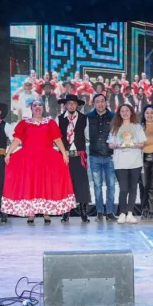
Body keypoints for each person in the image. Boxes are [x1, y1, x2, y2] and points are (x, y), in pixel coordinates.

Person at [2, 100, 74, 224]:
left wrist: (63, 153)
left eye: (39, 105)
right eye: (34, 105)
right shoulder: (24, 123)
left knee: (45, 183)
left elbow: (57, 139)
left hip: (47, 158)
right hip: (29, 159)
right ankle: (31, 213)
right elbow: (17, 139)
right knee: (31, 183)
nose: (37, 107)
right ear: (31, 108)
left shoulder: (50, 122)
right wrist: (8, 153)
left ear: (43, 108)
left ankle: (46, 213)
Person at [107, 104, 147, 224]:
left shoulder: (137, 127)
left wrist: (134, 145)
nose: (125, 113)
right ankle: (122, 213)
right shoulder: (115, 127)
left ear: (131, 112)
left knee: (133, 188)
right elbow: (110, 144)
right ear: (119, 113)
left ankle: (130, 213)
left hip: (135, 162)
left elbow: (142, 144)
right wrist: (118, 146)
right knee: (123, 189)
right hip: (120, 163)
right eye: (122, 111)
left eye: (127, 111)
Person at [57, 94, 92, 223]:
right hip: (65, 157)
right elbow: (57, 138)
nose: (71, 106)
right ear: (65, 105)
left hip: (79, 156)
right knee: (66, 183)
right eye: (69, 103)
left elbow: (87, 136)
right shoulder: (59, 119)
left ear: (77, 105)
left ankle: (84, 213)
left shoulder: (84, 118)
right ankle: (65, 213)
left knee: (82, 184)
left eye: (73, 103)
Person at [87, 93, 116, 221]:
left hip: (110, 156)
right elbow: (86, 135)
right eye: (97, 101)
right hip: (94, 156)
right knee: (97, 186)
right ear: (94, 103)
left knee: (111, 185)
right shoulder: (88, 117)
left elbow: (117, 134)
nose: (100, 104)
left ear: (106, 102)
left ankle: (109, 212)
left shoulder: (113, 117)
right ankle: (99, 211)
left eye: (102, 101)